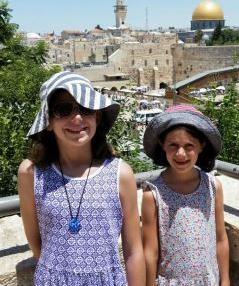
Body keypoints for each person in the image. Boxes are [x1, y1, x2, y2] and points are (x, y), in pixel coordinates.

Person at [18, 71, 145, 285]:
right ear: (48, 121)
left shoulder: (120, 174)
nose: (77, 118)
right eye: (64, 110)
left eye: (85, 109)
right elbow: (36, 242)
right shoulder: (31, 174)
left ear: (96, 116)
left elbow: (133, 250)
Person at [141, 105, 230, 286]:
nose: (180, 153)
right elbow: (150, 251)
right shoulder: (153, 194)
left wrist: (225, 279)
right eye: (173, 145)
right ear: (162, 145)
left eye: (189, 145)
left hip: (209, 280)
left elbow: (220, 239)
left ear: (201, 146)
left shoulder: (213, 187)